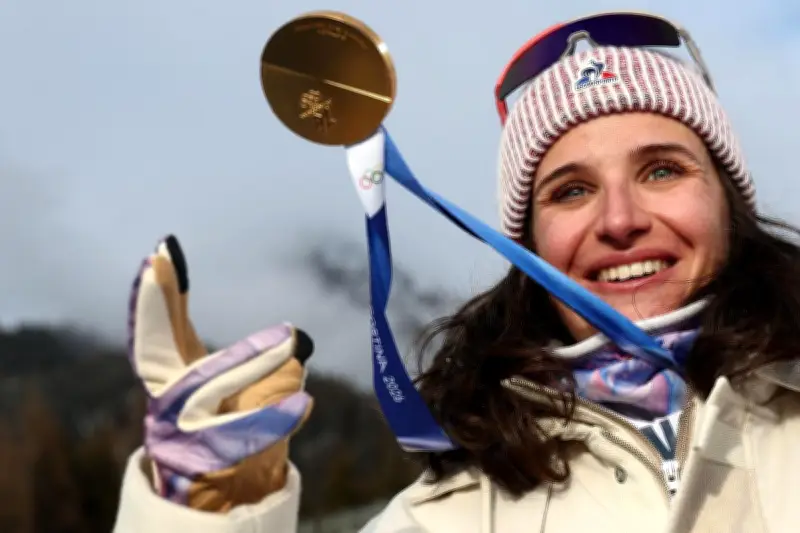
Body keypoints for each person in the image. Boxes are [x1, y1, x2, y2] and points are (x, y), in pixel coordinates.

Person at [113, 12, 800, 533]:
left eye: (661, 170)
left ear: (726, 199)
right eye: (570, 190)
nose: (619, 219)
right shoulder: (448, 512)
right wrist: (204, 511)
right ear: (528, 245)